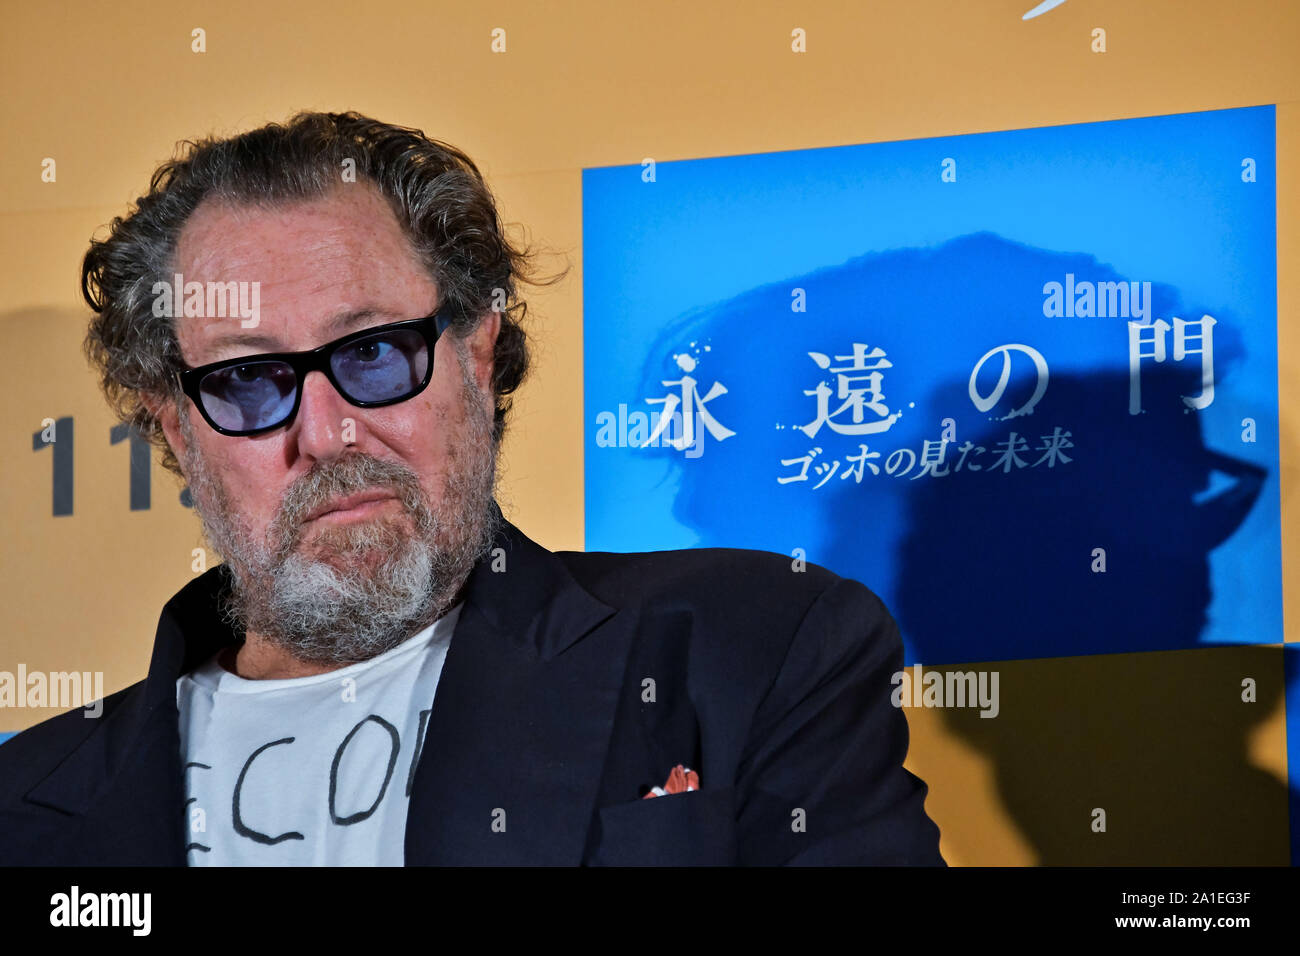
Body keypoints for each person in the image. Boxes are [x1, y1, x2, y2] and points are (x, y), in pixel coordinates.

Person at [0, 112, 944, 866]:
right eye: (249, 380)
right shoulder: (25, 801)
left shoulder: (751, 648)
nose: (327, 434)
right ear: (176, 428)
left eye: (373, 353)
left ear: (479, 359)